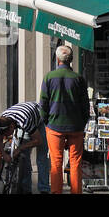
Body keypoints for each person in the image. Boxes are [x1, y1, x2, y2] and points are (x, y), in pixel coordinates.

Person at [40, 43, 90, 194]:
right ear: (71, 60)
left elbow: (43, 103)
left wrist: (46, 121)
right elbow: (85, 105)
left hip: (55, 126)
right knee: (76, 162)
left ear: (57, 59)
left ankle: (56, 192)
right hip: (75, 126)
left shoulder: (49, 77)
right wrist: (82, 122)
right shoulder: (78, 79)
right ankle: (76, 191)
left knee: (56, 163)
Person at [0, 99, 46, 194]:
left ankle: (44, 189)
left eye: (6, 133)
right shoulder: (2, 122)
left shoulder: (25, 121)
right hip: (20, 116)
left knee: (42, 156)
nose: (5, 136)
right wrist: (4, 155)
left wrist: (20, 148)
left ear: (11, 127)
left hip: (38, 117)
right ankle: (26, 189)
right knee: (24, 157)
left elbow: (38, 140)